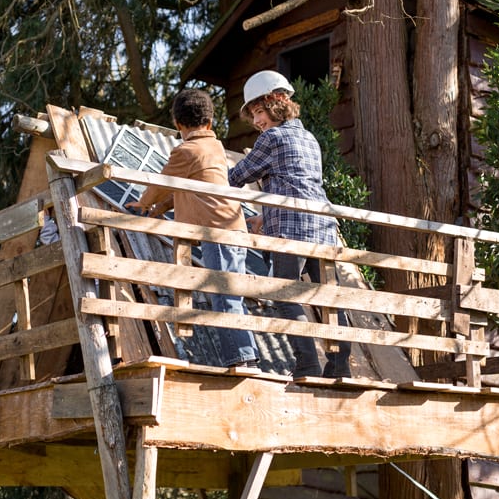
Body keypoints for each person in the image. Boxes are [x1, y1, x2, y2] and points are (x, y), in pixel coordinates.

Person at [228, 70, 351, 378]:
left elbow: (236, 177)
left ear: (277, 102)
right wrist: (264, 216)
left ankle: (307, 363)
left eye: (259, 111)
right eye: (254, 115)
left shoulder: (272, 138)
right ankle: (340, 367)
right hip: (322, 229)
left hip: (291, 232)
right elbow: (297, 183)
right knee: (329, 301)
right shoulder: (309, 138)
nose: (256, 121)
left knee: (285, 296)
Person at [127, 89, 261, 370]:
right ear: (210, 123)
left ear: (177, 124)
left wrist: (142, 203)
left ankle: (243, 360)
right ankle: (246, 354)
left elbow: (162, 181)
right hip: (230, 229)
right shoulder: (214, 147)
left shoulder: (186, 150)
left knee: (224, 296)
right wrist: (158, 209)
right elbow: (183, 188)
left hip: (217, 232)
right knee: (230, 294)